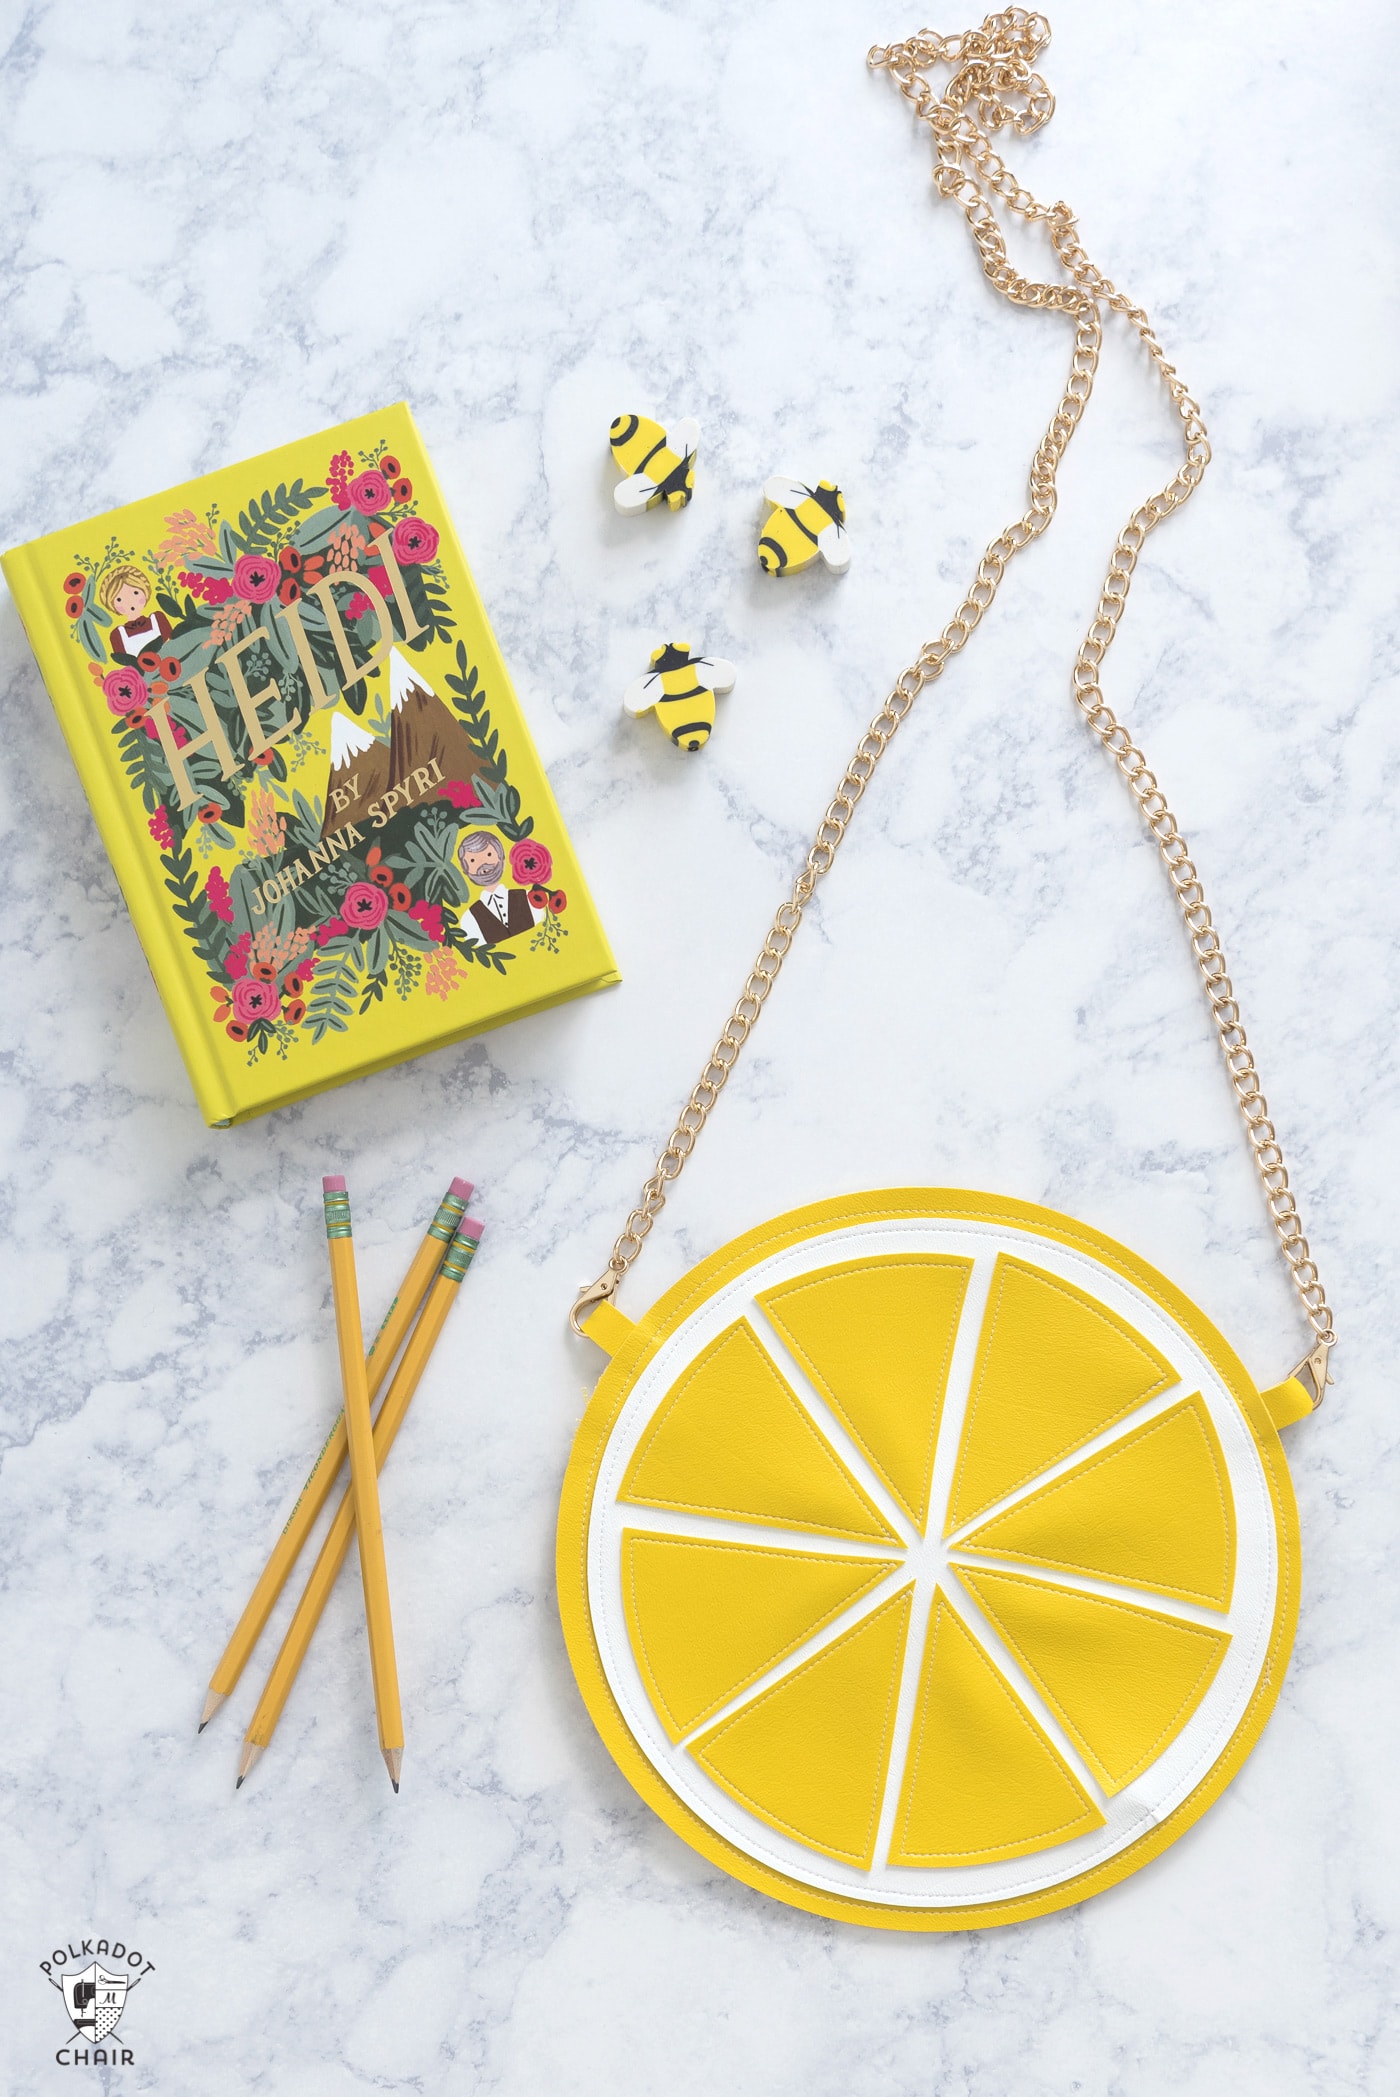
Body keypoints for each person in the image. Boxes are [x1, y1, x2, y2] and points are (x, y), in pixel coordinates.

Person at [456, 830, 543, 946]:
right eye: (472, 860)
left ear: (502, 858)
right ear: (466, 871)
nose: (483, 863)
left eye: (489, 854)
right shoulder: (469, 919)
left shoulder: (531, 899)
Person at [98, 564, 172, 664]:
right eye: (119, 599)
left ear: (145, 592)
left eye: (135, 593)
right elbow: (126, 665)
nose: (130, 601)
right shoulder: (117, 635)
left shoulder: (158, 619)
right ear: (112, 605)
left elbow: (173, 644)